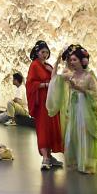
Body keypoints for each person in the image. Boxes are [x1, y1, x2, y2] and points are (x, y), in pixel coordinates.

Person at [48, 44, 97, 175]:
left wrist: (81, 89)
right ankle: (77, 161)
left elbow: (95, 93)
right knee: (73, 133)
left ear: (82, 61)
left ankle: (86, 163)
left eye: (74, 60)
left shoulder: (88, 76)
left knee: (85, 132)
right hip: (73, 108)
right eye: (70, 60)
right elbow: (54, 78)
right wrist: (57, 60)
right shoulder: (70, 75)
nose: (72, 62)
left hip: (85, 109)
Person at [26, 40, 64, 171]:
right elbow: (30, 84)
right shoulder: (34, 65)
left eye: (47, 52)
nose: (45, 55)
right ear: (37, 52)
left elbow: (55, 80)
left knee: (51, 127)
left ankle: (49, 155)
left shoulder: (47, 66)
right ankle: (45, 157)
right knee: (43, 128)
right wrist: (46, 85)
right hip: (41, 100)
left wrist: (53, 71)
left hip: (50, 100)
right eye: (43, 52)